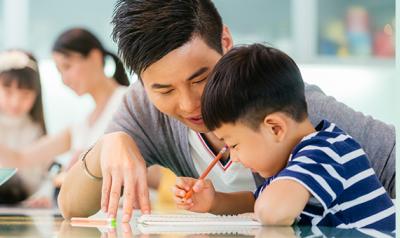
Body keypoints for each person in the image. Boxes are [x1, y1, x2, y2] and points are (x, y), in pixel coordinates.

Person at [58, 0, 395, 223]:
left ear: (226, 41)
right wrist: (107, 145)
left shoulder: (288, 106)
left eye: (200, 78)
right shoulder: (142, 110)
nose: (189, 105)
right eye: (163, 90)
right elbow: (71, 207)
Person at [174, 44, 395, 231]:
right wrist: (214, 201)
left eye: (234, 145)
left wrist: (263, 211)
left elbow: (272, 212)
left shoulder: (326, 151)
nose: (235, 158)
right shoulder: (293, 165)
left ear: (275, 128)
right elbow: (256, 201)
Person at [0, 28, 130, 202]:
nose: (64, 79)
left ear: (95, 57)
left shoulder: (128, 100)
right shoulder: (82, 125)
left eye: (67, 67)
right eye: (59, 72)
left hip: (130, 212)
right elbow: (21, 158)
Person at [0, 50, 47, 204]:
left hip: (23, 206)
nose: (15, 102)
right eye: (7, 92)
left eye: (25, 94)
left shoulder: (35, 130)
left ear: (36, 95)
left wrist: (41, 196)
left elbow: (41, 178)